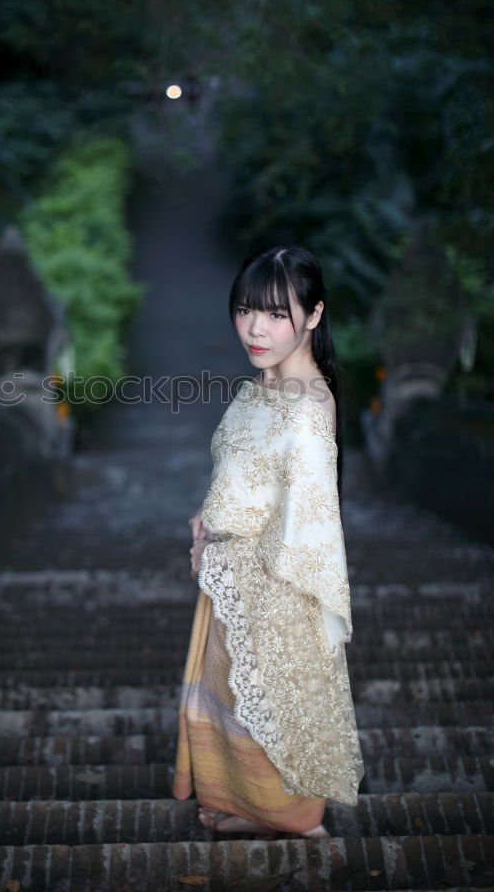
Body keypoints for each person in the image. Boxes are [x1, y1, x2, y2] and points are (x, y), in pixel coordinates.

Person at [172, 244, 365, 839]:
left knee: (271, 703)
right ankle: (243, 806)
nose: (255, 328)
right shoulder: (264, 387)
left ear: (313, 316)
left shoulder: (307, 408)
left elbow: (308, 535)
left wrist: (222, 552)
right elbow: (248, 475)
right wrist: (211, 517)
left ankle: (294, 821)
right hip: (235, 579)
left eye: (277, 314)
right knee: (234, 698)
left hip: (275, 589)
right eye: (246, 310)